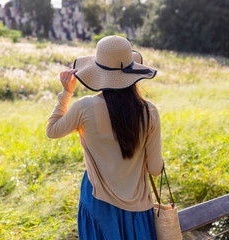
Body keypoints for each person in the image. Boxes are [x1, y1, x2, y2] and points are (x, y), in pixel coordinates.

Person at [46, 36, 164, 240]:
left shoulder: (85, 107)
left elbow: (52, 130)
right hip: (138, 210)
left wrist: (66, 93)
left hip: (98, 206)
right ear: (132, 72)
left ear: (97, 72)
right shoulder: (149, 111)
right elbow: (154, 169)